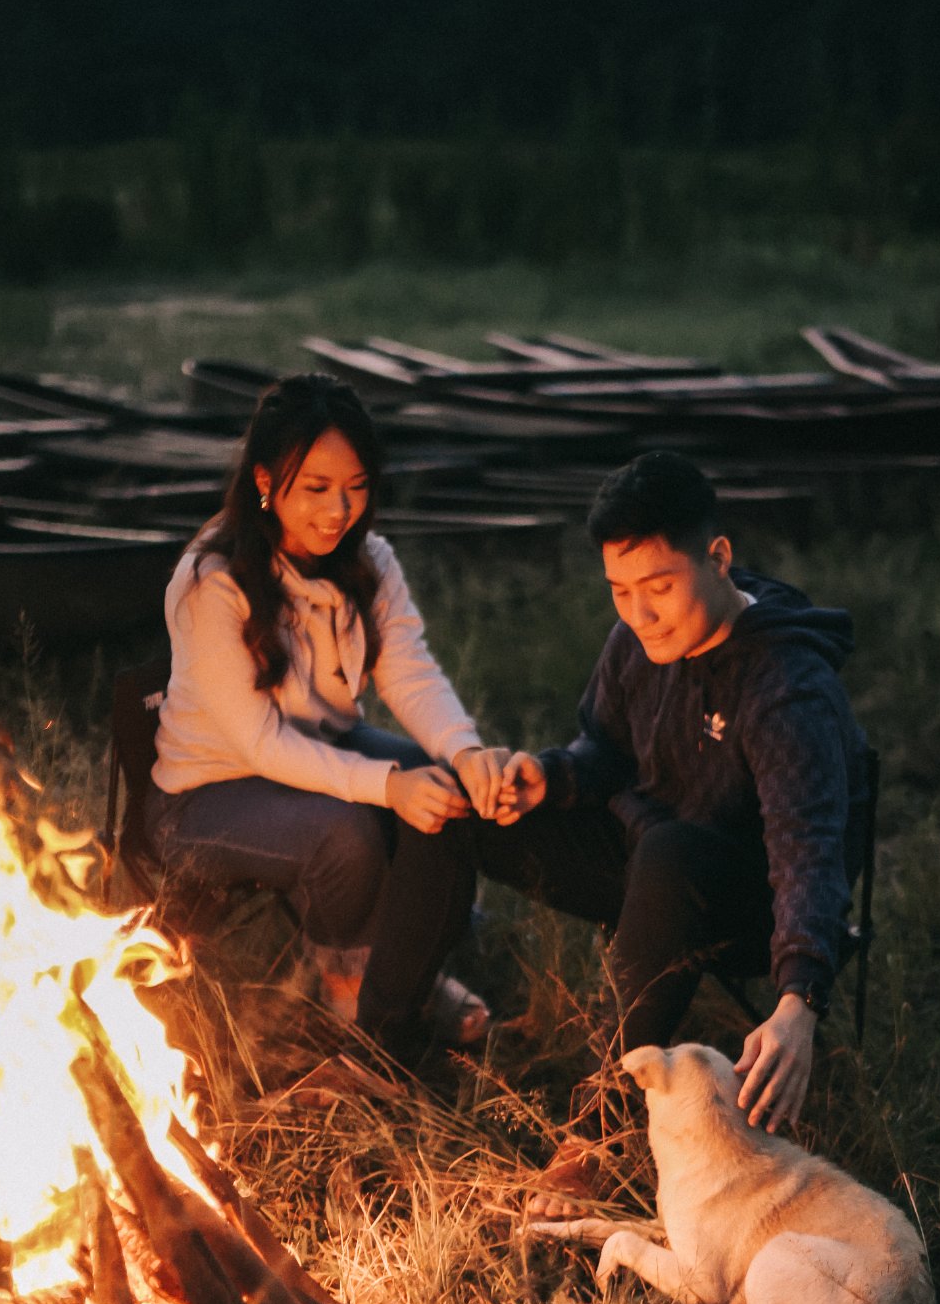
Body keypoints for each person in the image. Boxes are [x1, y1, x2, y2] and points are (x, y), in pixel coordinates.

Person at [478, 449, 870, 1210]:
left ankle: (594, 1132)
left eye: (659, 587)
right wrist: (552, 777)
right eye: (620, 591)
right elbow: (606, 750)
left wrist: (799, 999)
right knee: (462, 805)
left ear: (718, 558)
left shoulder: (785, 686)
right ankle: (383, 1037)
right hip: (650, 863)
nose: (639, 613)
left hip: (745, 907)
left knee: (671, 853)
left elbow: (809, 851)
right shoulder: (638, 639)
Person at [144, 372, 507, 1065]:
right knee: (347, 833)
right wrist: (385, 787)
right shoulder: (212, 582)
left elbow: (407, 669)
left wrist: (464, 751)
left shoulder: (368, 560)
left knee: (436, 780)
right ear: (265, 481)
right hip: (204, 794)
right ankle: (356, 1004)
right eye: (315, 487)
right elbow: (261, 744)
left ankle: (413, 974)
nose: (339, 511)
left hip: (318, 748)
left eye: (357, 486)